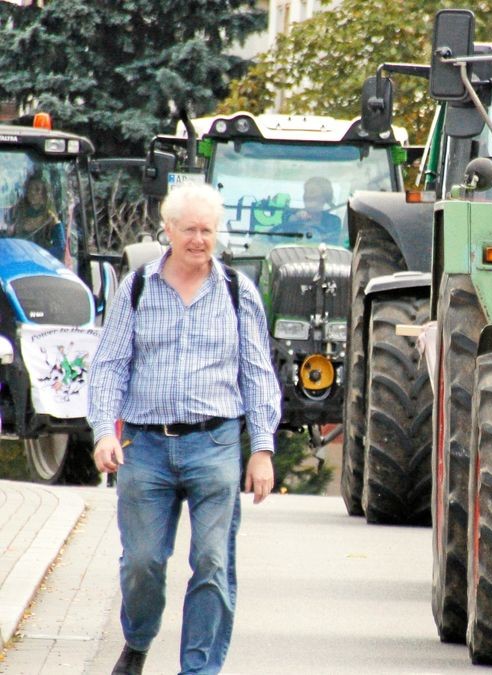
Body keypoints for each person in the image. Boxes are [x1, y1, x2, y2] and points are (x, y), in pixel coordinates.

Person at [87, 182, 281, 675]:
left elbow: (258, 374)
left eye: (207, 230)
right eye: (189, 229)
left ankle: (199, 670)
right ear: (168, 230)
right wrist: (103, 433)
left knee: (213, 563)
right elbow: (109, 365)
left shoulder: (239, 293)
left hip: (214, 444)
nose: (199, 239)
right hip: (144, 447)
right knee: (143, 564)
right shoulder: (138, 286)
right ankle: (137, 643)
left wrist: (262, 449)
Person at [9, 175, 65, 258]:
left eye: (37, 190)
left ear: (44, 194)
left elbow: (60, 248)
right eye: (30, 189)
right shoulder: (16, 213)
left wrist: (40, 255)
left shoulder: (50, 218)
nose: (32, 193)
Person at [283, 176, 342, 242]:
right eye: (306, 191)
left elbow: (331, 244)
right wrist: (296, 217)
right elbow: (286, 222)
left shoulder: (333, 221)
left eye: (312, 192)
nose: (307, 196)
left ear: (325, 196)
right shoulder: (290, 213)